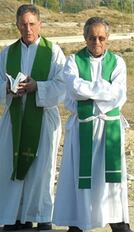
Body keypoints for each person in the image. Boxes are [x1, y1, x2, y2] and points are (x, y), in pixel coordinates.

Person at [52, 17, 131, 232]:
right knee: (81, 175)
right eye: (92, 37)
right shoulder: (72, 61)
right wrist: (101, 89)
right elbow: (73, 88)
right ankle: (79, 223)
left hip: (109, 127)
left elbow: (117, 94)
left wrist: (88, 92)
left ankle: (118, 223)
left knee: (111, 178)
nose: (97, 42)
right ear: (85, 38)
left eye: (101, 38)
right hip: (83, 127)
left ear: (108, 39)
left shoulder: (118, 62)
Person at [0, 4, 66, 231]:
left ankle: (41, 216)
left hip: (43, 118)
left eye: (32, 24)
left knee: (42, 170)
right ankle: (16, 217)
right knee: (11, 164)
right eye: (23, 24)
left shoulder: (53, 52)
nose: (27, 29)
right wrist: (7, 89)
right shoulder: (8, 52)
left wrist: (38, 86)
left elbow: (63, 85)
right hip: (15, 118)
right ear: (17, 25)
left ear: (40, 24)